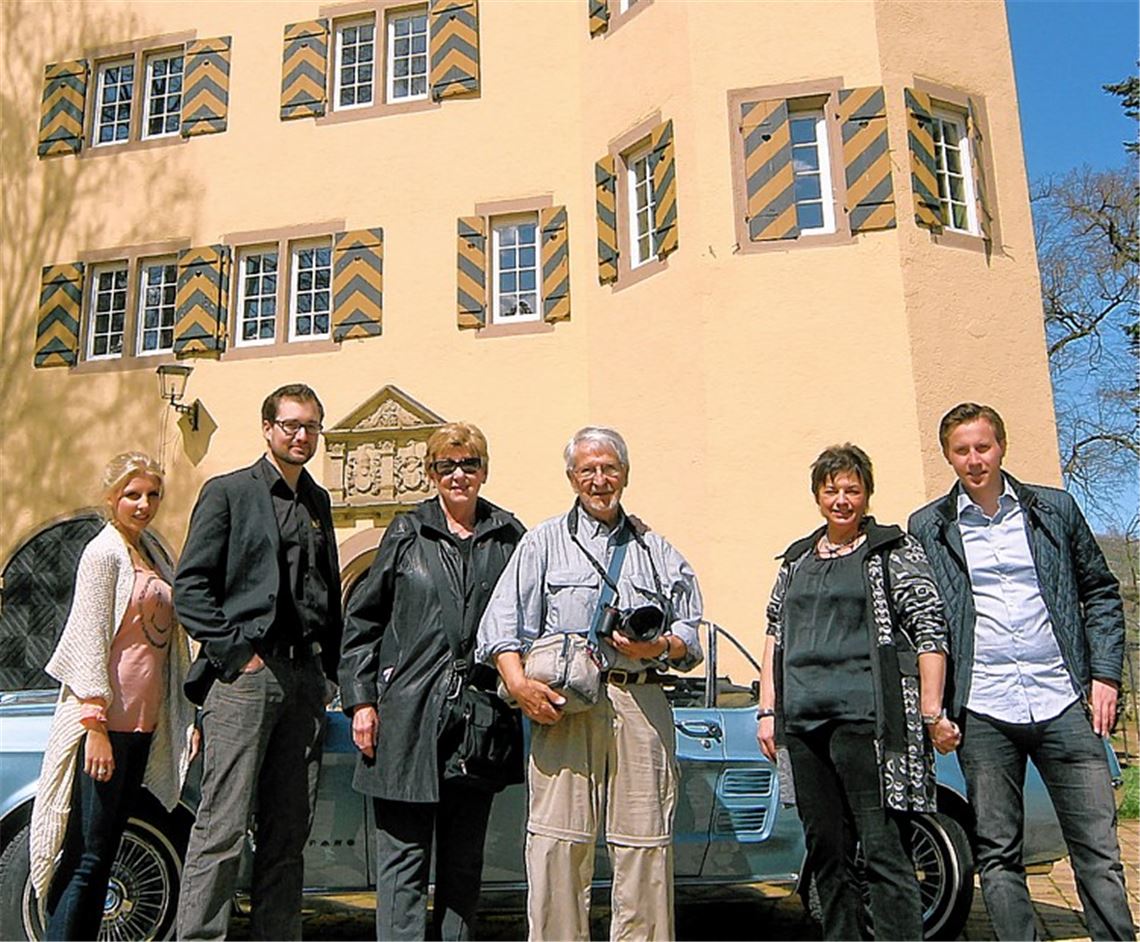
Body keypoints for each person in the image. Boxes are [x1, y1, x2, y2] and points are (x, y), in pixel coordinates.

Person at [909, 402, 1134, 941]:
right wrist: (933, 708)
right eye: (961, 451)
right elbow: (922, 621)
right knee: (998, 853)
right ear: (948, 457)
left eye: (982, 447)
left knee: (1098, 850)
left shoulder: (1053, 509)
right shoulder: (929, 526)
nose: (974, 460)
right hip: (983, 710)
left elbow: (1101, 592)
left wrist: (1105, 675)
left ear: (1001, 447)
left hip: (1064, 702)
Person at [476, 426, 703, 942]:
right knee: (557, 845)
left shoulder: (655, 549)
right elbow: (500, 627)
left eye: (609, 469)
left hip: (640, 700)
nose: (599, 480)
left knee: (645, 846)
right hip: (565, 707)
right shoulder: (542, 543)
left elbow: (691, 634)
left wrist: (658, 646)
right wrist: (520, 686)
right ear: (572, 477)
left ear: (625, 474)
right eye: (588, 470)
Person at [757, 443, 956, 941]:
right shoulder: (796, 559)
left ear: (867, 494)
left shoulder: (892, 550)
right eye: (831, 490)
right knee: (828, 855)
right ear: (817, 496)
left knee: (885, 851)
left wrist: (932, 709)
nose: (842, 500)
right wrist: (768, 710)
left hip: (868, 723)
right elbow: (774, 633)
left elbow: (929, 626)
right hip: (804, 725)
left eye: (852, 490)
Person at [338, 421, 524, 940]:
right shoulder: (407, 533)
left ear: (484, 471)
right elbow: (363, 622)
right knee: (403, 864)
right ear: (431, 473)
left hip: (479, 720)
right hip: (407, 718)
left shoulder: (509, 536)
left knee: (463, 868)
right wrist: (361, 701)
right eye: (446, 466)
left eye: (469, 464)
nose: (458, 475)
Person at [174, 383, 343, 940]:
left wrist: (328, 674)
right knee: (221, 829)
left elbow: (328, 594)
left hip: (304, 681)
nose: (302, 436)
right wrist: (237, 655)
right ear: (268, 429)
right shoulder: (228, 493)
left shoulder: (317, 501)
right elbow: (190, 589)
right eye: (291, 425)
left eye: (311, 426)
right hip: (247, 677)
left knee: (288, 833)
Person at [29, 452, 196, 941]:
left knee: (104, 853)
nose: (144, 505)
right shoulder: (103, 554)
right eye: (132, 495)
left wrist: (184, 716)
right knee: (87, 856)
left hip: (141, 727)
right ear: (111, 498)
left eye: (152, 495)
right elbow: (88, 639)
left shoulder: (151, 554)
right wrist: (95, 726)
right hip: (106, 728)